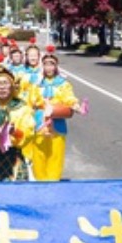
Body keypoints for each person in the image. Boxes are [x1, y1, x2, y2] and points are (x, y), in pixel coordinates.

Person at [30, 47, 87, 181]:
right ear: (42, 66)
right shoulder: (37, 83)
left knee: (56, 154)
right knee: (39, 154)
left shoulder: (63, 84)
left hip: (58, 122)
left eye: (52, 64)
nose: (49, 67)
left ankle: (53, 181)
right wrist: (40, 104)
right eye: (46, 64)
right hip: (40, 122)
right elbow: (30, 100)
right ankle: (40, 182)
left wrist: (76, 106)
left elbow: (69, 98)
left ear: (56, 67)